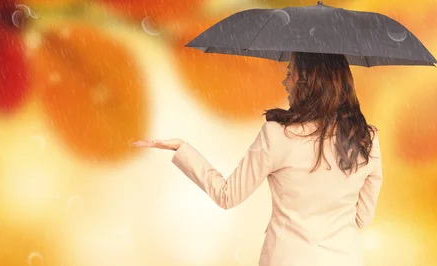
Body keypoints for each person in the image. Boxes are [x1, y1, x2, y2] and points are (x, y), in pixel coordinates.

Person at [133, 52, 382, 266]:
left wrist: (183, 149)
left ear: (308, 82)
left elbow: (227, 195)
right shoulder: (365, 138)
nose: (285, 82)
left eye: (290, 72)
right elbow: (362, 217)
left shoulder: (278, 135)